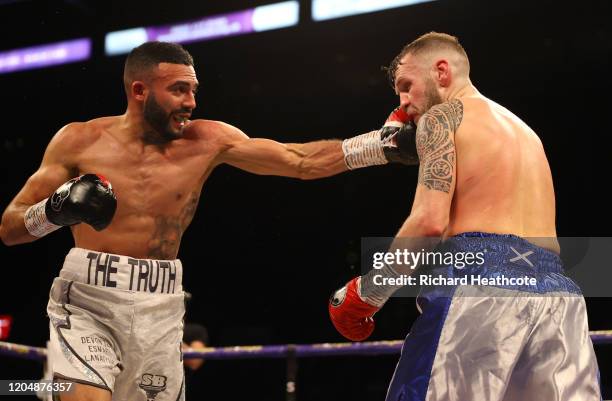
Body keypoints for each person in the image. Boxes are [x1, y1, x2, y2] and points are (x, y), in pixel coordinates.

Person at [0, 41, 418, 401]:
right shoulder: (78, 140)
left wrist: (377, 146)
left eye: (193, 90)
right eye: (179, 90)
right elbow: (10, 227)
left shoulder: (207, 140)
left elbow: (298, 161)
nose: (191, 102)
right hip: (86, 301)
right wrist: (55, 210)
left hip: (159, 308)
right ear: (139, 90)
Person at [328, 32, 601, 400]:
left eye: (406, 86)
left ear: (442, 71)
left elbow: (429, 223)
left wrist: (369, 293)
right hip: (560, 300)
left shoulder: (441, 118)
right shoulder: (526, 132)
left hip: (479, 289)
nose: (403, 103)